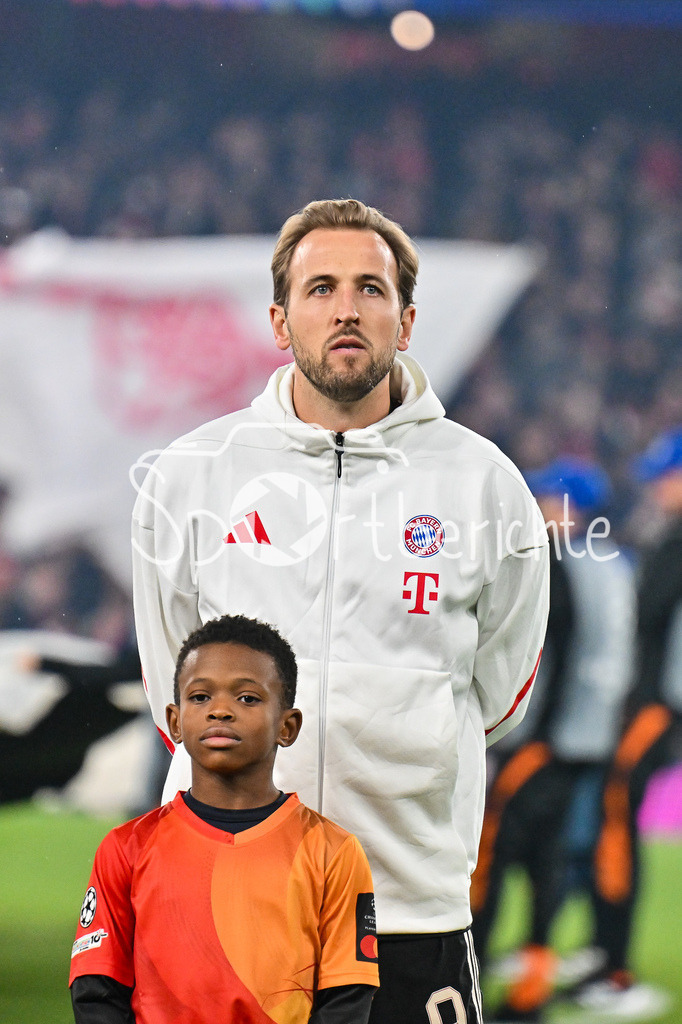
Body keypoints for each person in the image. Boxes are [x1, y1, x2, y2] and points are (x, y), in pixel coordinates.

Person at [131, 198, 550, 1022]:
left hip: (410, 905)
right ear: (281, 321)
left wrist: (406, 728)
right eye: (321, 288)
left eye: (370, 288)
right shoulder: (189, 475)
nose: (347, 308)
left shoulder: (484, 484)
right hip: (226, 899)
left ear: (408, 318)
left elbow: (499, 694)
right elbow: (170, 688)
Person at [69, 613, 379, 1024]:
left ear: (287, 726)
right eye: (200, 697)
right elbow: (97, 991)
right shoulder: (126, 849)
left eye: (247, 698)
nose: (220, 711)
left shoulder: (334, 852)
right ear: (175, 721)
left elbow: (347, 997)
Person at [471, 458, 636, 1023]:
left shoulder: (560, 560)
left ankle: (476, 976)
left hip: (545, 738)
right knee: (552, 860)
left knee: (491, 854)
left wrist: (532, 733)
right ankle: (533, 985)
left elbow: (555, 652)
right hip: (590, 737)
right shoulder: (613, 564)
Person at [565, 428, 682, 1020]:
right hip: (649, 703)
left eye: (668, 474)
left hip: (658, 706)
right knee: (612, 822)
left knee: (615, 816)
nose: (659, 486)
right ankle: (601, 950)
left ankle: (615, 968)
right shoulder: (667, 537)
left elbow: (652, 622)